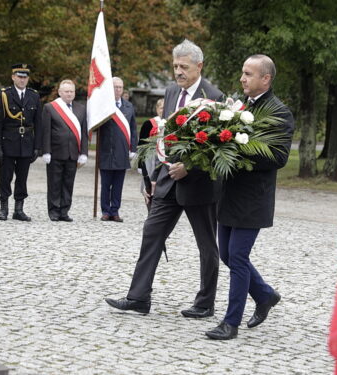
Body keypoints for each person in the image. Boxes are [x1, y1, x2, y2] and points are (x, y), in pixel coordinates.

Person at [105, 39, 223, 319]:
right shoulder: (171, 92)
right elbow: (165, 140)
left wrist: (189, 168)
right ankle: (138, 297)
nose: (178, 71)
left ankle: (205, 303)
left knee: (206, 245)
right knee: (152, 233)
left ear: (199, 66)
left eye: (184, 66)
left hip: (200, 184)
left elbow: (216, 146)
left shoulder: (214, 96)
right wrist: (154, 178)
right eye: (175, 66)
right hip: (168, 180)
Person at [205, 55, 294, 340]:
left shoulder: (279, 112)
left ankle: (230, 323)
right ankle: (265, 295)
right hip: (229, 194)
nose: (242, 78)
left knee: (239, 257)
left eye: (248, 74)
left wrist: (236, 149)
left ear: (265, 78)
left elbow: (278, 157)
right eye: (242, 73)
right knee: (229, 254)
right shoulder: (239, 106)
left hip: (253, 198)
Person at [0, 64, 42, 222]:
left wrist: (37, 147)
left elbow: (38, 123)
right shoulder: (4, 94)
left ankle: (19, 209)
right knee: (5, 176)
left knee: (22, 177)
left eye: (25, 77)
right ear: (13, 77)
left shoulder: (34, 95)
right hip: (8, 141)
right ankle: (4, 208)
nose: (22, 80)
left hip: (26, 142)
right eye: (19, 76)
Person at [40, 79, 88, 221]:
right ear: (60, 92)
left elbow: (84, 132)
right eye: (66, 91)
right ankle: (54, 211)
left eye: (71, 91)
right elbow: (46, 131)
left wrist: (84, 152)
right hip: (55, 152)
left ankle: (64, 211)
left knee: (68, 184)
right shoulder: (50, 107)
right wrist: (46, 151)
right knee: (54, 184)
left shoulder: (81, 108)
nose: (69, 94)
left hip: (73, 153)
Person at [97, 76, 137, 222]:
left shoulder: (129, 107)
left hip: (122, 151)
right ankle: (105, 211)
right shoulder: (104, 106)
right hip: (106, 150)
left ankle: (115, 211)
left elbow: (133, 129)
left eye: (120, 87)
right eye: (115, 87)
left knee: (118, 185)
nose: (118, 89)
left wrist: (133, 148)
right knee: (106, 184)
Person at [138, 98, 165, 209]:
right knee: (149, 190)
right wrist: (141, 165)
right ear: (157, 109)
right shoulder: (149, 124)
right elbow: (141, 146)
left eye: (165, 108)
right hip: (150, 162)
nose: (163, 110)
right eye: (161, 108)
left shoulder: (173, 122)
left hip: (164, 160)